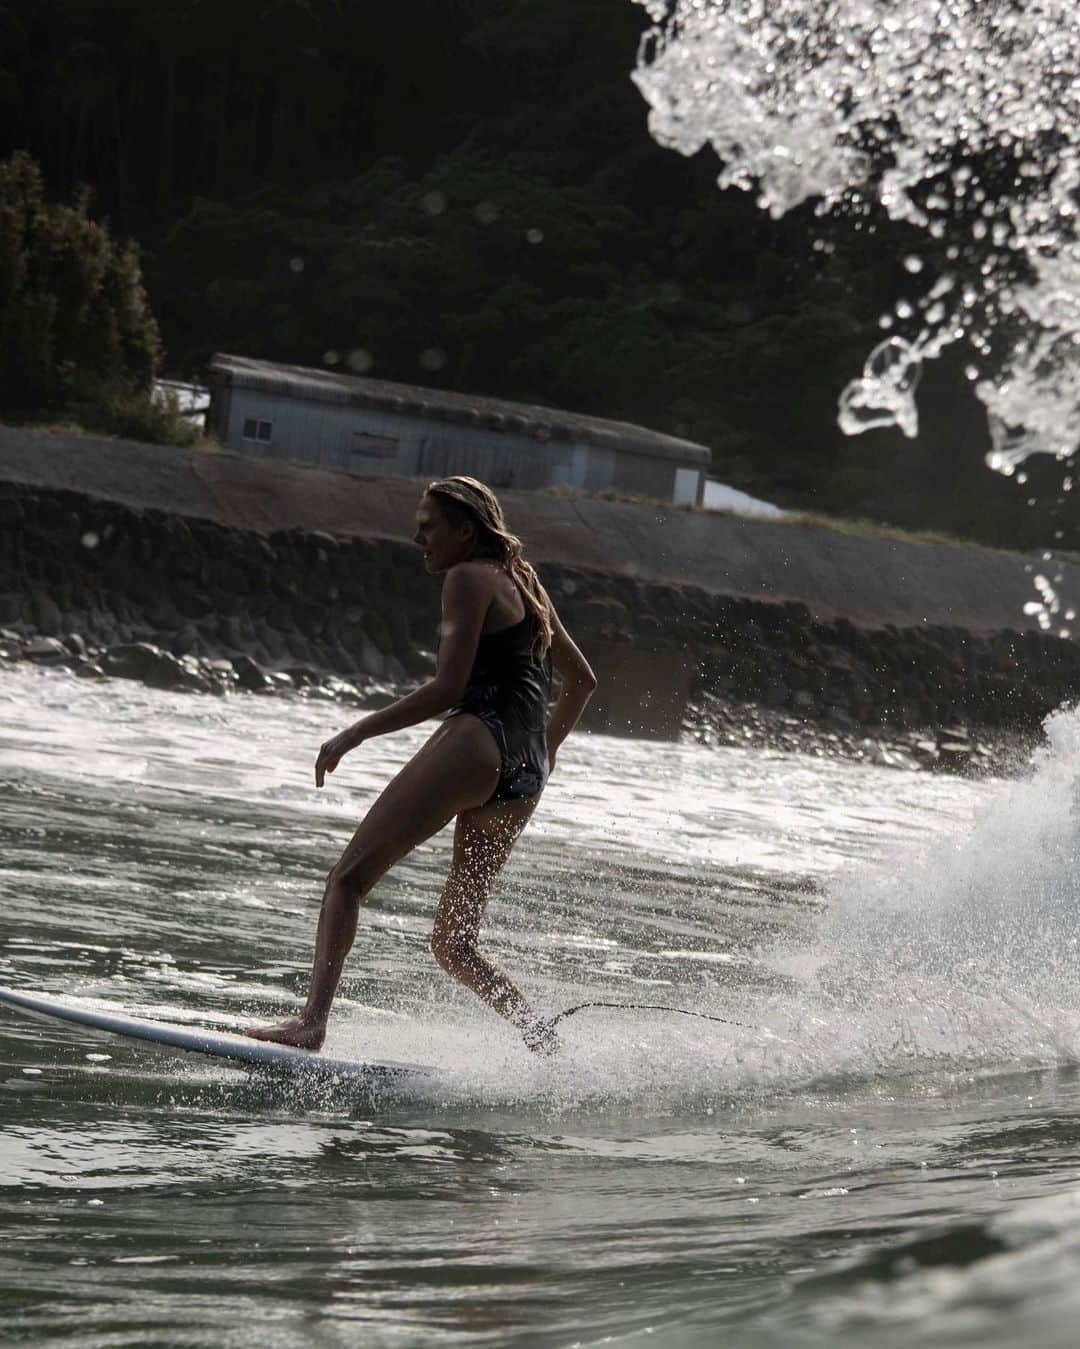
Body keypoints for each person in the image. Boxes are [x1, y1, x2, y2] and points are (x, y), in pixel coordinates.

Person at [246, 475, 597, 1055]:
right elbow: (583, 682)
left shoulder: (468, 577)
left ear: (466, 530)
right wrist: (546, 753)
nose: (418, 537)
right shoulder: (524, 582)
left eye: (429, 526)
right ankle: (545, 1044)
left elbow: (446, 688)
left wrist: (354, 733)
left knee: (346, 881)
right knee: (454, 946)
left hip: (475, 744)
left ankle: (311, 1023)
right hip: (522, 777)